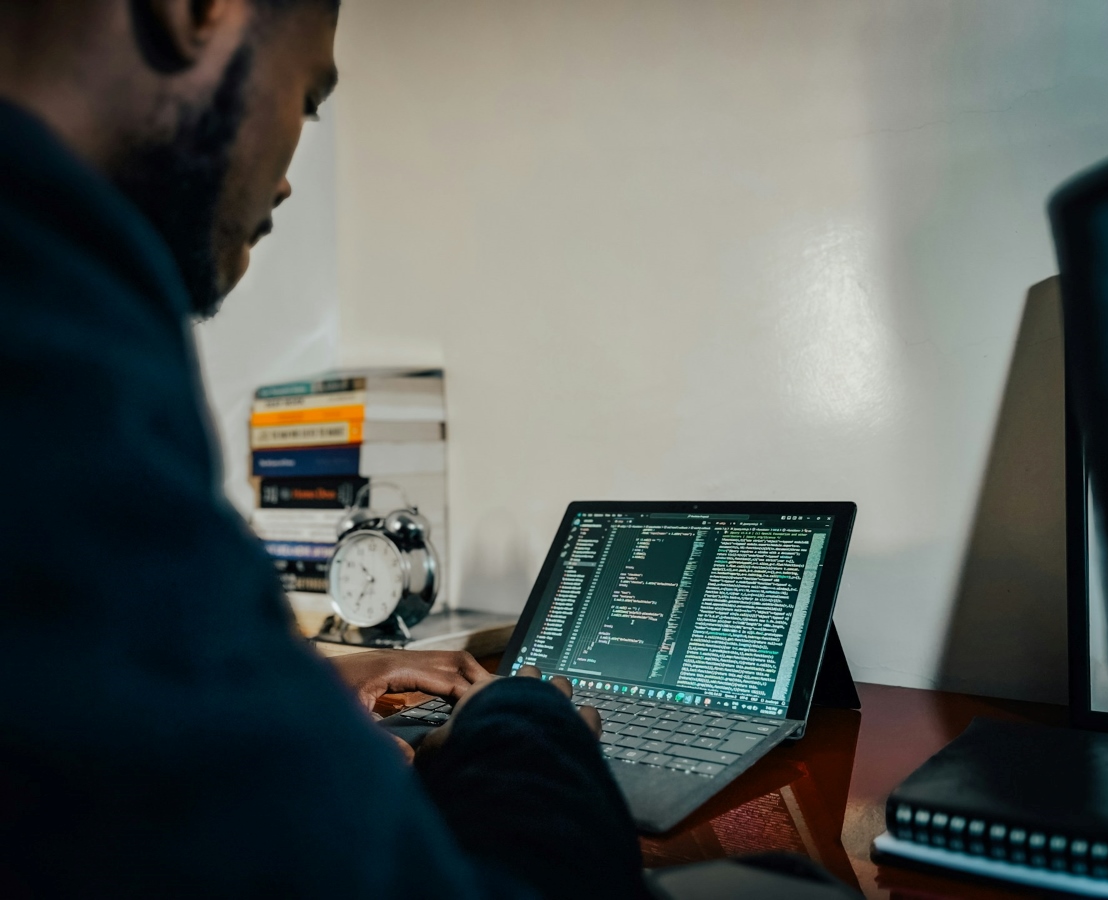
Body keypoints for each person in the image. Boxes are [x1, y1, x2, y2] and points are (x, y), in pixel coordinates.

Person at [0, 1, 647, 897]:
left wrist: (299, 675)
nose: (293, 179)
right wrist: (525, 722)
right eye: (308, 98)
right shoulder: (54, 374)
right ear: (195, 13)